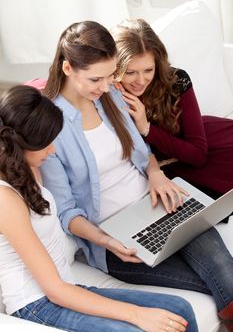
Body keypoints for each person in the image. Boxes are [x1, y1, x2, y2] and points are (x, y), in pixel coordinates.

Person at [39, 21, 233, 330]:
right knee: (222, 281)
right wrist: (106, 241)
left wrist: (155, 174)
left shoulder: (110, 97)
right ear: (67, 68)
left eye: (110, 75)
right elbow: (66, 212)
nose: (107, 87)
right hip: (115, 237)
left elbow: (143, 155)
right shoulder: (50, 126)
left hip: (159, 204)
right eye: (96, 79)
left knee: (227, 273)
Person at [0, 84, 198, 332]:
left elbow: (24, 103)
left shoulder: (27, 167)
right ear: (18, 145)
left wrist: (108, 241)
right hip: (37, 304)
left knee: (179, 310)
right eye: (46, 144)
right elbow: (54, 290)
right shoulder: (5, 199)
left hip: (67, 290)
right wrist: (137, 315)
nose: (52, 151)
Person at [111, 18, 233, 202]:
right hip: (172, 165)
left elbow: (198, 155)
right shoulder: (108, 94)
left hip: (210, 143)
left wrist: (147, 128)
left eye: (148, 70)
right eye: (130, 72)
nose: (141, 80)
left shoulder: (176, 81)